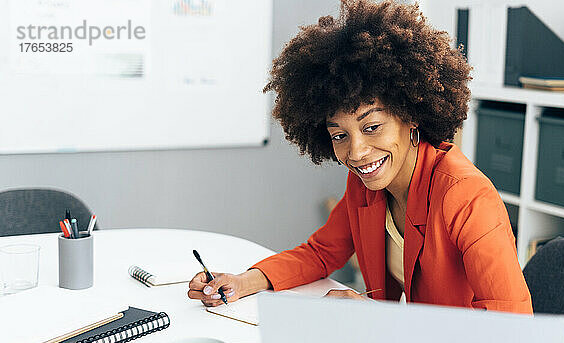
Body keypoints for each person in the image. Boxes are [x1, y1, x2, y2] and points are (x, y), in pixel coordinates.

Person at [188, 0, 533, 314]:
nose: (355, 152)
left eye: (371, 127)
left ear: (410, 116)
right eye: (340, 135)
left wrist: (378, 319)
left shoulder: (467, 197)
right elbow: (321, 253)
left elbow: (510, 327)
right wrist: (243, 281)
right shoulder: (365, 183)